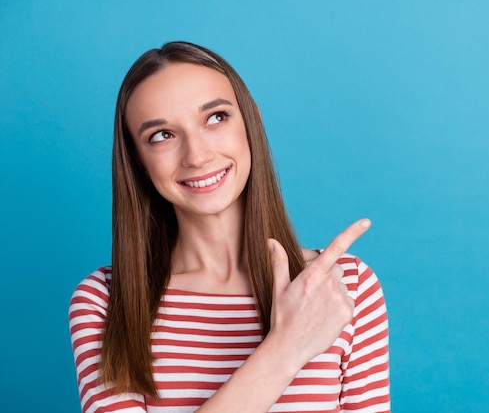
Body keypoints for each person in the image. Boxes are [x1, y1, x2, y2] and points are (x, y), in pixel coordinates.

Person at [69, 41, 390, 413]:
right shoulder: (107, 301)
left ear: (250, 123)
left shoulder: (344, 285)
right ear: (138, 161)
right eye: (162, 135)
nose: (197, 155)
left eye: (216, 117)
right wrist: (286, 349)